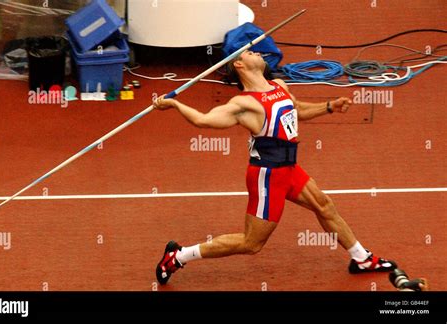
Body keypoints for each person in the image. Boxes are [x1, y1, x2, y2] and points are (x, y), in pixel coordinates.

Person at [152, 50, 397, 285]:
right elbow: (203, 120)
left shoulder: (279, 86)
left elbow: (298, 109)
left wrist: (330, 106)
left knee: (324, 206)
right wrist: (174, 105)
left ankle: (361, 258)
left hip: (289, 168)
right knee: (252, 243)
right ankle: (179, 256)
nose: (257, 53)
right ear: (239, 65)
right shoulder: (244, 104)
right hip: (267, 175)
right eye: (249, 53)